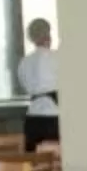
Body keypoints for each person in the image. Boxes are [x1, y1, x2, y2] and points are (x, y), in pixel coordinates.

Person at [17, 18, 58, 146]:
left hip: (32, 117)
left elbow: (24, 84)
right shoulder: (57, 57)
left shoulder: (24, 62)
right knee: (57, 161)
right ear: (48, 35)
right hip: (54, 116)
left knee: (34, 160)